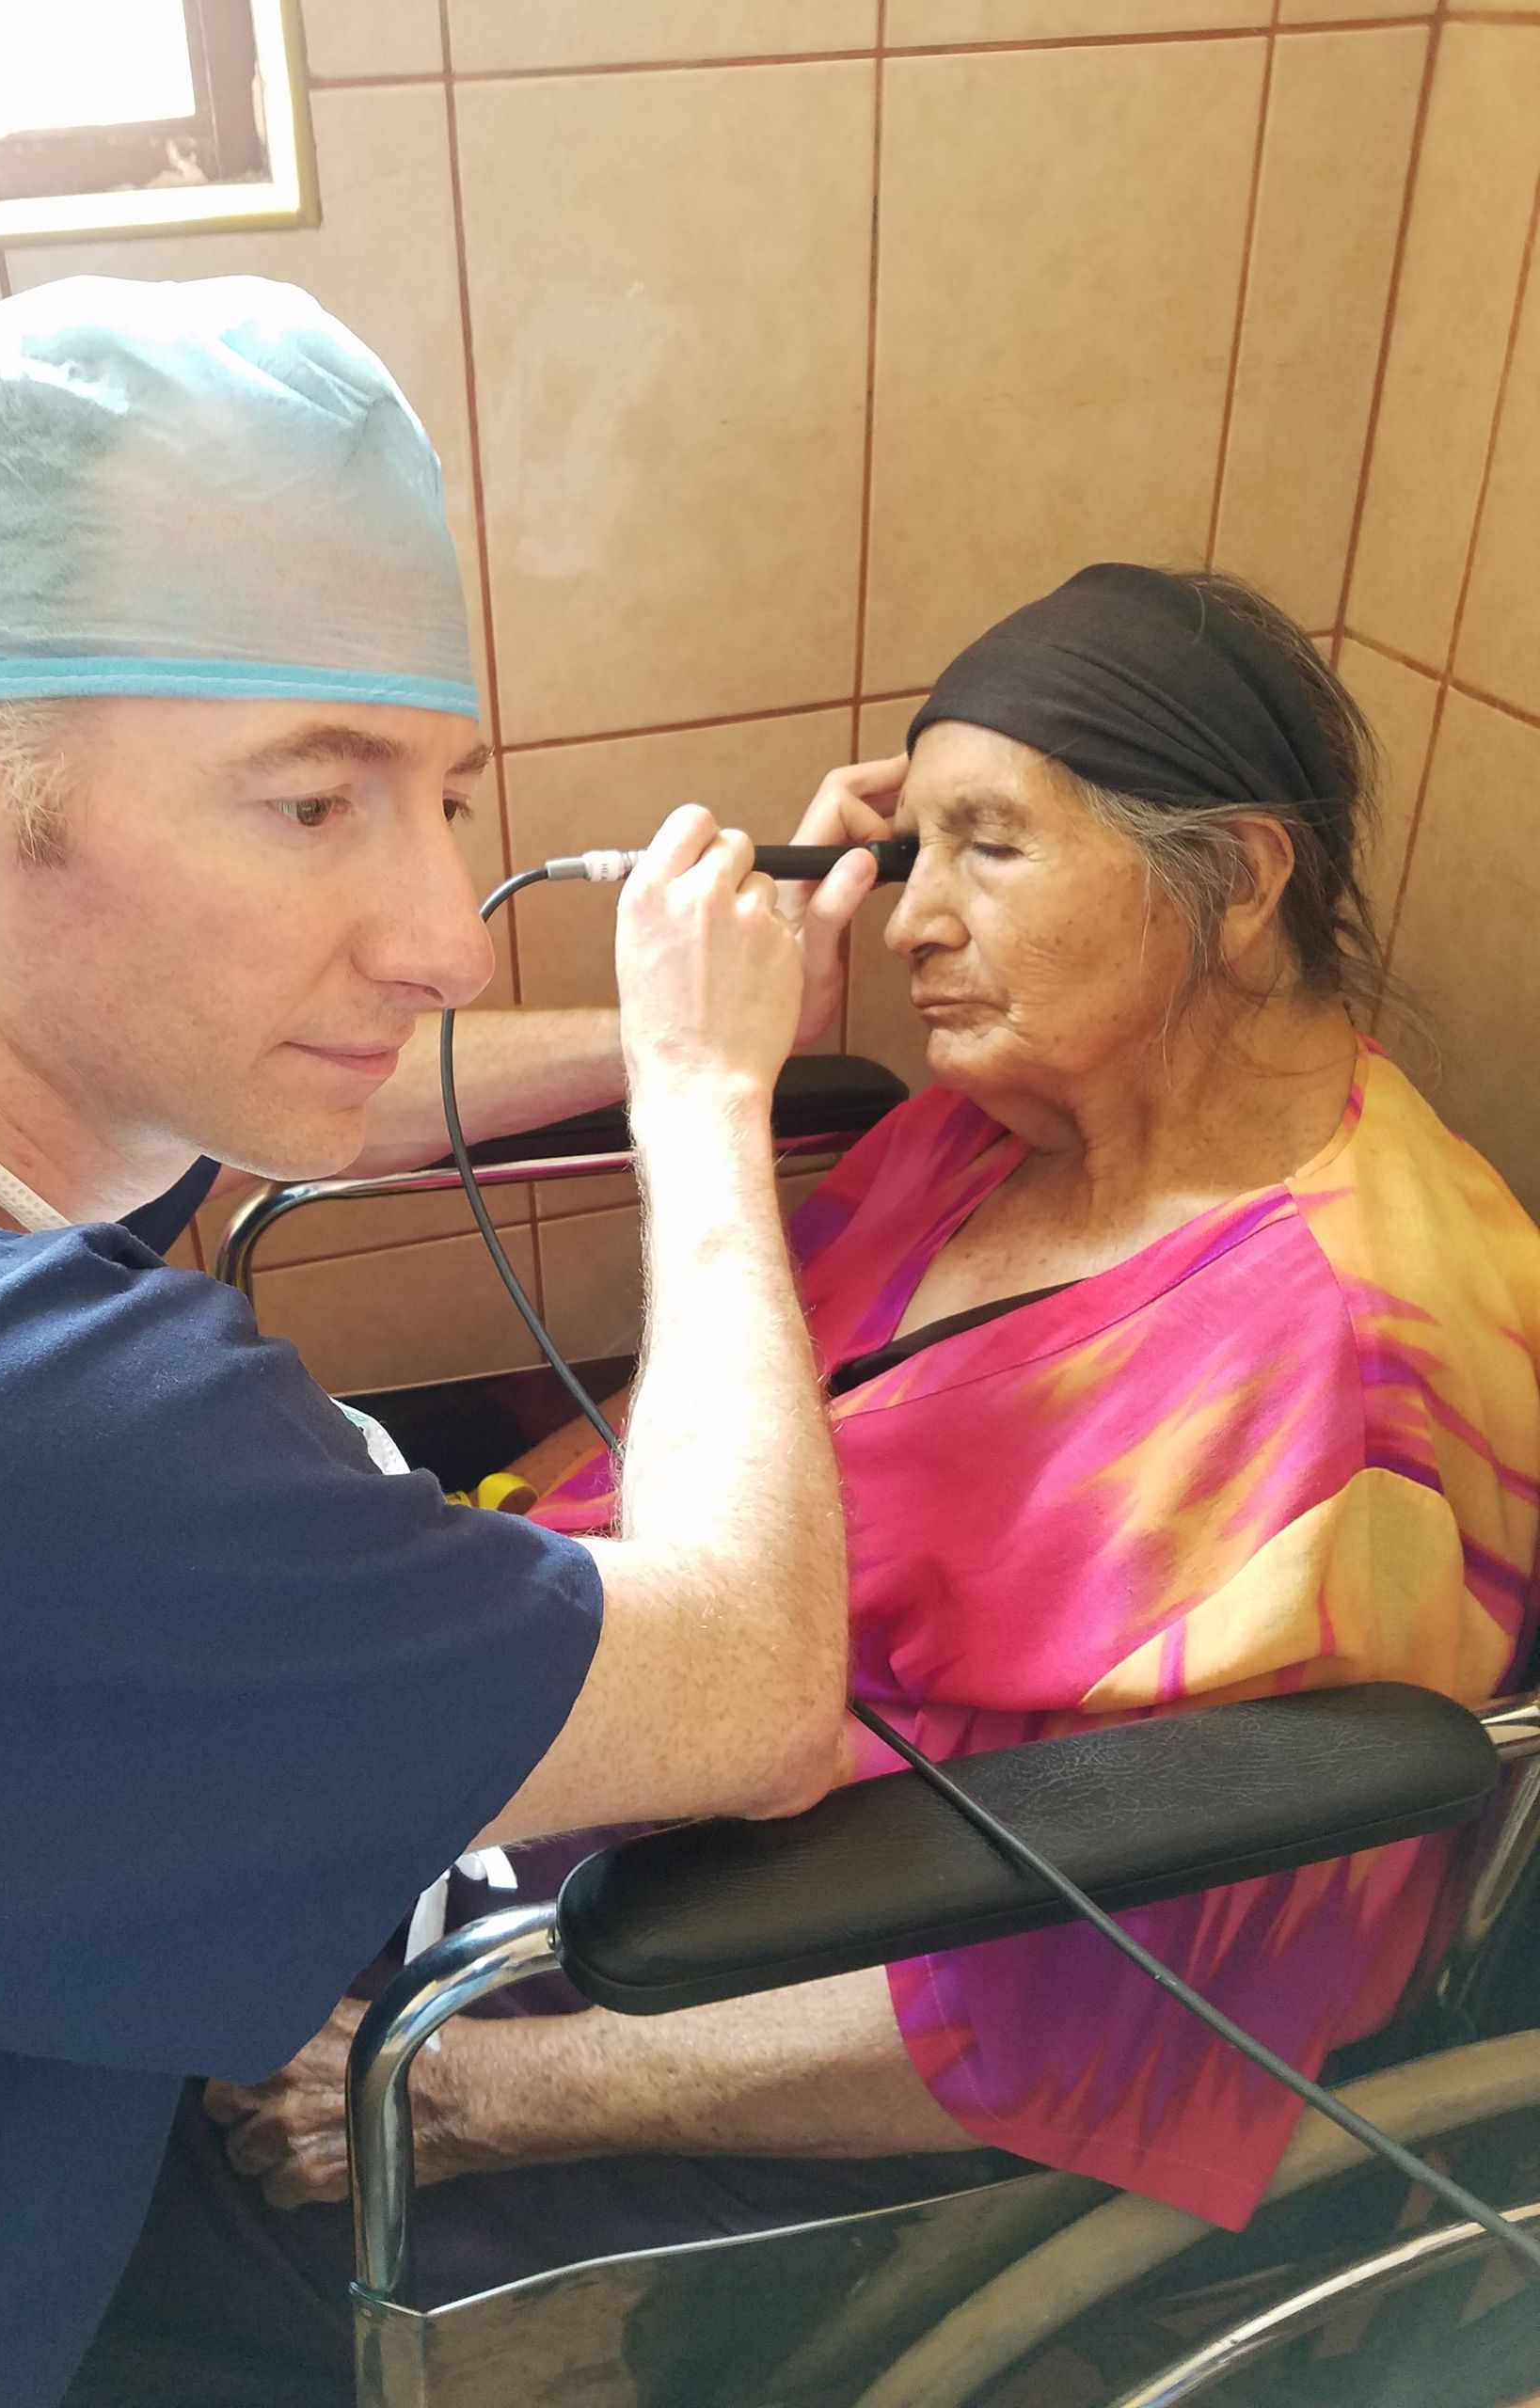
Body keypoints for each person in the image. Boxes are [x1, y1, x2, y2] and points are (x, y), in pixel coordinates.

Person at [161, 566, 1540, 2395]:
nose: (913, 923)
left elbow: (1147, 2001)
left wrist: (482, 2097)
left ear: (1243, 878)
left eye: (992, 845)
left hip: (772, 1975)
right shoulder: (998, 1122)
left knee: (194, 2273)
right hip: (599, 1733)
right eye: (916, 845)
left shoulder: (1353, 1377)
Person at [0, 275, 877, 2408]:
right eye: (309, 802)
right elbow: (759, 1682)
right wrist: (706, 1111)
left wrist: (651, 1026)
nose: (443, 933)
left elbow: (236, 1077)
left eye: (441, 797)